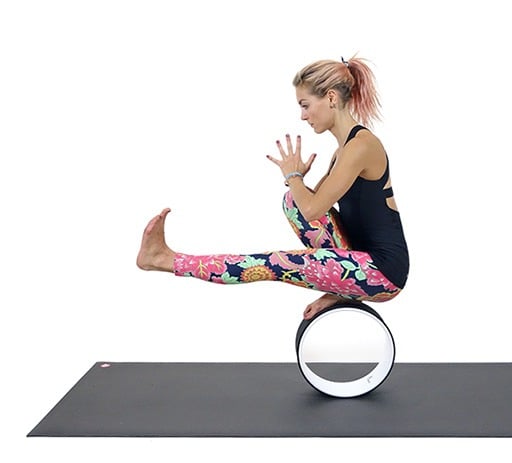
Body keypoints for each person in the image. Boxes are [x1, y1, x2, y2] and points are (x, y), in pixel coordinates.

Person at [136, 55, 409, 319]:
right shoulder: (344, 150)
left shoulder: (361, 146)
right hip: (359, 259)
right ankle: (344, 285)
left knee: (273, 262)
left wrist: (293, 175)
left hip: (383, 272)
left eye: (305, 105)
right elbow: (306, 207)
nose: (303, 116)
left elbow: (313, 210)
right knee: (292, 200)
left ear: (330, 98)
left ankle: (165, 260)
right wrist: (295, 180)